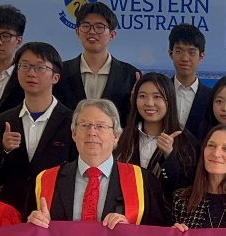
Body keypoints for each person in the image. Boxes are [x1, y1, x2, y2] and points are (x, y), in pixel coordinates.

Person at [26, 98, 170, 228]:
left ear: (116, 137)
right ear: (74, 134)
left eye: (101, 126)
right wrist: (32, 226)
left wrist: (129, 232)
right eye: (84, 125)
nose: (92, 132)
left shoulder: (142, 181)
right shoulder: (45, 180)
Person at [0, 42, 75, 216]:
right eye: (24, 66)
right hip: (10, 211)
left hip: (54, 210)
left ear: (55, 77)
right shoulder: (2, 121)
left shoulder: (73, 122)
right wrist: (3, 150)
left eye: (40, 68)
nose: (31, 73)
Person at [114, 71, 198, 199]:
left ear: (169, 100)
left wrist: (169, 156)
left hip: (165, 211)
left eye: (157, 97)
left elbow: (185, 190)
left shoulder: (186, 142)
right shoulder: (122, 138)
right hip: (125, 209)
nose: (149, 103)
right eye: (142, 96)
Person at [53, 2, 140, 120]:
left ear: (112, 35)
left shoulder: (130, 75)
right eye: (86, 26)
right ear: (78, 32)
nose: (92, 31)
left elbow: (133, 118)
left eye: (99, 27)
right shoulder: (60, 72)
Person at [169, 23, 213, 136]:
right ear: (171, 54)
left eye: (192, 52)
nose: (185, 58)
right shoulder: (160, 91)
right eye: (179, 51)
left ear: (201, 56)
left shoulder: (211, 97)